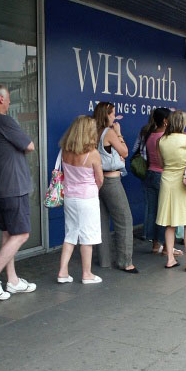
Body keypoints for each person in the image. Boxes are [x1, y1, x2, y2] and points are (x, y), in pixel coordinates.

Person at [0, 83, 37, 300]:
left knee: (8, 234)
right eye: (9, 98)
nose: (10, 101)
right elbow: (29, 145)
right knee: (21, 234)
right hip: (14, 186)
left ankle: (12, 280)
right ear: (1, 99)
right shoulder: (4, 120)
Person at [56, 116, 103, 284]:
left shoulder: (65, 151)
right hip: (87, 198)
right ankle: (87, 274)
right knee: (87, 237)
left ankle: (62, 272)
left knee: (70, 233)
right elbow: (100, 179)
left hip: (70, 196)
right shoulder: (93, 154)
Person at [93, 102, 136, 272]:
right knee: (124, 220)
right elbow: (124, 152)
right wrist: (119, 133)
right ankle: (125, 262)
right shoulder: (109, 132)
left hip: (97, 180)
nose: (114, 117)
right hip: (111, 180)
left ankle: (104, 260)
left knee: (102, 221)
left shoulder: (92, 131)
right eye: (113, 114)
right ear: (106, 115)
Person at [156, 111, 186, 271]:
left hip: (167, 181)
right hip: (184, 181)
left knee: (169, 223)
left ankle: (170, 259)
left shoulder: (161, 140)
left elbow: (161, 164)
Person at [142, 107, 173, 255]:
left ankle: (155, 244)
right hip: (163, 176)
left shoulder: (149, 135)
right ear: (165, 120)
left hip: (150, 174)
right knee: (166, 211)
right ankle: (167, 246)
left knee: (152, 210)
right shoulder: (165, 137)